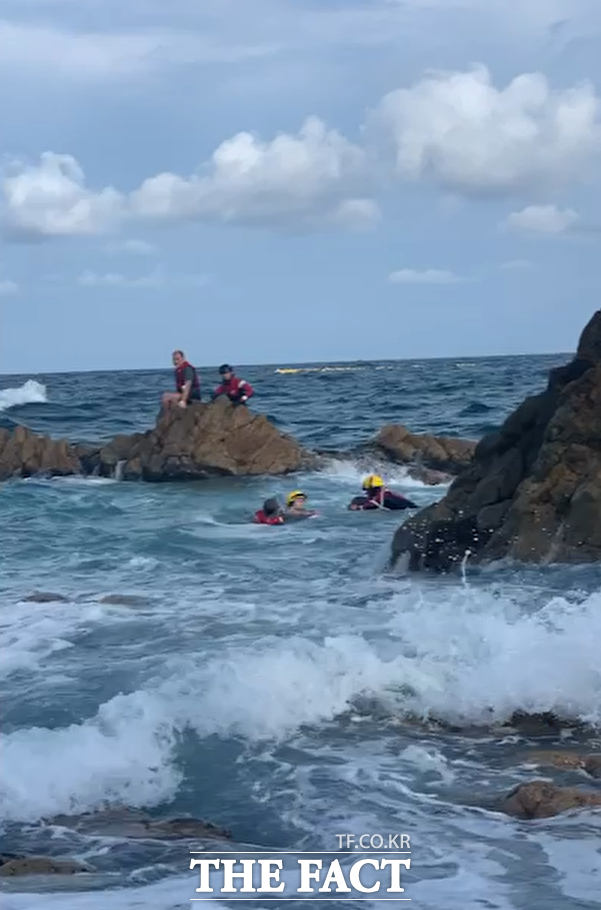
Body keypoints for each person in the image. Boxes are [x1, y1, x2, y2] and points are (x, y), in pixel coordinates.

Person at [348, 474, 418, 511]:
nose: (366, 492)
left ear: (372, 488)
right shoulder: (384, 493)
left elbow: (374, 504)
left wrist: (359, 508)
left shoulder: (384, 497)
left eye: (367, 490)